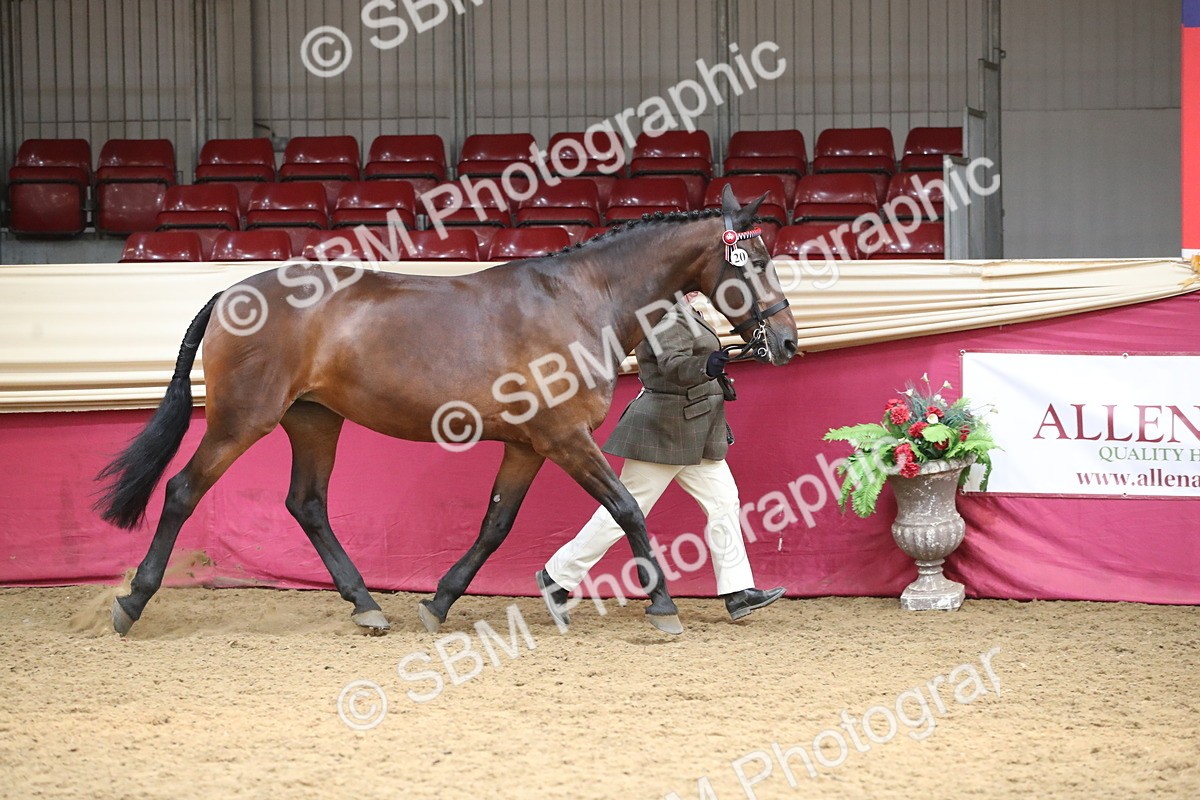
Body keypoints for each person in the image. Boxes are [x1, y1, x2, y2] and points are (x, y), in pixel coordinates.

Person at [536, 292, 785, 629]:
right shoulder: (665, 313)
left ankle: (738, 590)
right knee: (621, 512)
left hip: (697, 427)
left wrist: (733, 355)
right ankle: (556, 577)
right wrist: (706, 364)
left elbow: (703, 357)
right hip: (665, 429)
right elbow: (671, 364)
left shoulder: (686, 308)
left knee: (724, 502)